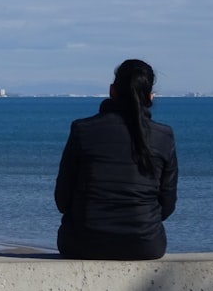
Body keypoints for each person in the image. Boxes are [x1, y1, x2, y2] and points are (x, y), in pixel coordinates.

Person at [54, 59, 178, 260]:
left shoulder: (83, 130)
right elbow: (167, 205)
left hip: (82, 242)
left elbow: (62, 200)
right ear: (150, 97)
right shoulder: (163, 136)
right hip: (145, 244)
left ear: (112, 91)